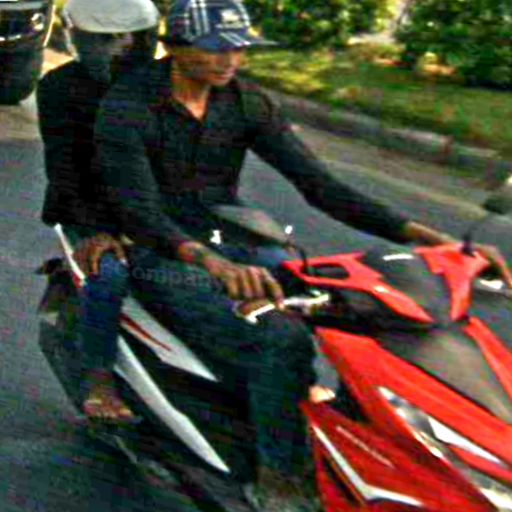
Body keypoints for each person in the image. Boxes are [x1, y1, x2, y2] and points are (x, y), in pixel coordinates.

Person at [93, 0, 512, 509]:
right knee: (282, 337)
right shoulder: (128, 107)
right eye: (215, 48)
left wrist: (430, 238)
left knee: (365, 310)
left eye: (239, 48)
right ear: (175, 47)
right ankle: (280, 475)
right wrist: (212, 263)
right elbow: (138, 210)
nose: (230, 60)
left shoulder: (245, 102)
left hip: (238, 240)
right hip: (162, 254)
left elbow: (319, 185)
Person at [37, 0, 160, 422]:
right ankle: (99, 380)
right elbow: (64, 169)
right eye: (107, 39)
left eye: (132, 38)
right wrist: (97, 230)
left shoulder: (163, 83)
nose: (121, 47)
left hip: (157, 213)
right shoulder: (59, 88)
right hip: (90, 212)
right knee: (108, 275)